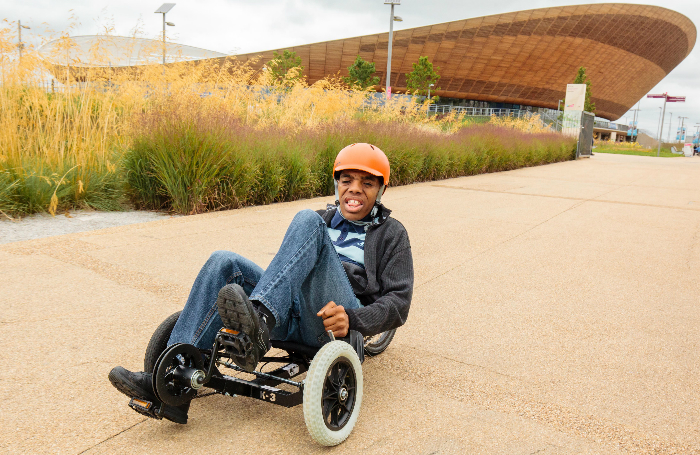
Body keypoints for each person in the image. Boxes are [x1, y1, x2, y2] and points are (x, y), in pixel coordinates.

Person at [108, 143, 414, 424]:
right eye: (347, 180)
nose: (355, 190)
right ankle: (172, 383)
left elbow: (398, 303)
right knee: (223, 261)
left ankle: (259, 323)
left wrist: (354, 319)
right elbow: (288, 267)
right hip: (289, 309)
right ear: (337, 183)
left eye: (367, 183)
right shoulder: (325, 217)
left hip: (334, 317)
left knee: (308, 220)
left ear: (381, 190)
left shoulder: (391, 233)